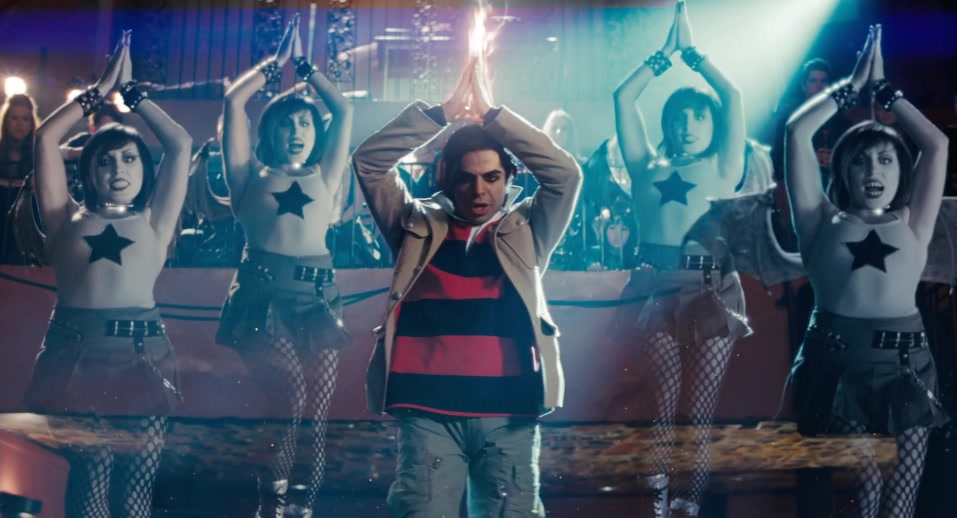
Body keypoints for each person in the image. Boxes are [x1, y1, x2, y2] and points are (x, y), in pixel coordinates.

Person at [353, 54, 581, 517]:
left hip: (509, 413)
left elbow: (565, 175)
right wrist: (440, 114)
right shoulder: (415, 224)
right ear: (447, 179)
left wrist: (495, 117)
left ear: (509, 178)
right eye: (467, 178)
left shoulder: (527, 230)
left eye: (492, 178)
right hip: (427, 412)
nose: (479, 191)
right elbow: (369, 163)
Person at [21, 32, 191, 517]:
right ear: (88, 170)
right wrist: (97, 91)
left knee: (135, 491)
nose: (119, 167)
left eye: (130, 157)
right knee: (90, 480)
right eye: (107, 158)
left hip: (144, 355)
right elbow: (45, 138)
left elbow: (180, 143)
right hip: (75, 355)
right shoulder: (63, 216)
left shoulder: (156, 220)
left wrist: (132, 95)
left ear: (144, 169)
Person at [785, 25, 948, 518]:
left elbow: (936, 144)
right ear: (843, 171)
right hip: (838, 364)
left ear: (902, 171)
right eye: (860, 161)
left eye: (885, 160)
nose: (874, 171)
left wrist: (887, 94)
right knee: (865, 496)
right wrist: (852, 88)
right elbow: (797, 132)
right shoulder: (818, 220)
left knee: (901, 503)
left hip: (908, 366)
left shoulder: (914, 222)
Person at [612, 2, 749, 515]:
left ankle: (687, 506)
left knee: (699, 412)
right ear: (666, 123)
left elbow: (732, 95)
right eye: (678, 116)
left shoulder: (725, 164)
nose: (688, 124)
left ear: (714, 124)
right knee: (662, 408)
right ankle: (656, 508)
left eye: (699, 116)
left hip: (712, 289)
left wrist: (694, 55)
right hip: (657, 287)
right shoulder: (644, 165)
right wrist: (662, 57)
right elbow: (622, 97)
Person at [216, 14, 353, 517]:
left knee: (316, 412)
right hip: (263, 295)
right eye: (286, 122)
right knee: (292, 397)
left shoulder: (326, 174)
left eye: (304, 122)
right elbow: (234, 102)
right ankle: (268, 505)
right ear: (269, 131)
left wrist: (307, 69)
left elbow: (343, 108)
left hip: (319, 298)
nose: (296, 130)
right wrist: (274, 67)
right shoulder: (248, 175)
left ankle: (303, 508)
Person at [0, 93, 40, 263]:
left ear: (31, 124)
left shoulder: (38, 155)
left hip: (25, 227)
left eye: (25, 119)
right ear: (6, 121)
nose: (19, 124)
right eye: (14, 118)